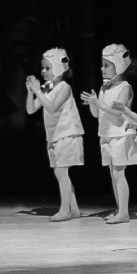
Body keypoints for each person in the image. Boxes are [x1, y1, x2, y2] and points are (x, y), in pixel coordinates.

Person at [79, 44, 137, 224]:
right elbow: (97, 114)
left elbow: (119, 113)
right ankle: (120, 208)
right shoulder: (105, 87)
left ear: (118, 66)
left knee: (119, 173)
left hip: (121, 135)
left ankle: (124, 212)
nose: (102, 69)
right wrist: (93, 103)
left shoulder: (125, 87)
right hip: (106, 134)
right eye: (102, 65)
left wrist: (98, 103)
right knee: (113, 174)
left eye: (106, 65)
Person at [25, 47, 83, 222]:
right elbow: (31, 109)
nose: (43, 71)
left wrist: (38, 91)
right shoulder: (47, 89)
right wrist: (31, 91)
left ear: (58, 68)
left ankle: (65, 210)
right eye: (42, 67)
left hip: (67, 134)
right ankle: (74, 209)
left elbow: (52, 107)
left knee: (61, 172)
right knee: (60, 173)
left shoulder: (64, 87)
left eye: (48, 68)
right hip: (54, 137)